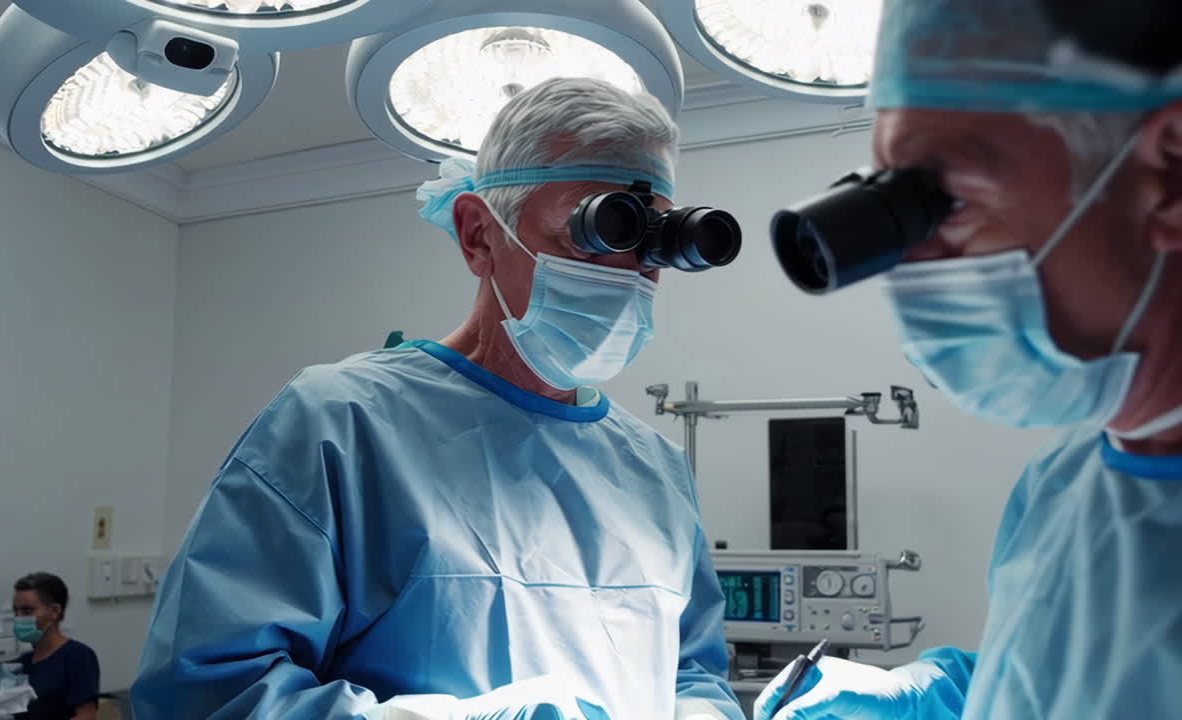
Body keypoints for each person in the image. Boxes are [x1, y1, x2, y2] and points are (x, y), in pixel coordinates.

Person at [131, 77, 743, 720]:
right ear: (479, 234)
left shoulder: (656, 468)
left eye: (653, 248)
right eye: (596, 233)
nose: (627, 274)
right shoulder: (339, 424)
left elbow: (692, 673)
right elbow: (208, 694)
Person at [754, 0, 1182, 719]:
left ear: (1168, 174)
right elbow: (1064, 681)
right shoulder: (1064, 482)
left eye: (941, 199)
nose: (907, 267)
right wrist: (930, 692)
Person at [11, 573, 100, 720]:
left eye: (27, 611)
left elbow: (87, 716)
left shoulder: (77, 657)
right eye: (16, 610)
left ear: (54, 611)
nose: (18, 617)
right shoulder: (21, 663)